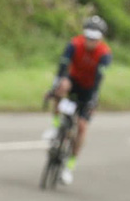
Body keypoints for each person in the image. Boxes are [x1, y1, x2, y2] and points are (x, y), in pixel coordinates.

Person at [43, 14, 112, 185]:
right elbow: (62, 67)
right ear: (84, 35)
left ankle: (69, 166)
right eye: (88, 37)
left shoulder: (104, 54)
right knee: (62, 86)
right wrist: (54, 87)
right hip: (73, 81)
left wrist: (92, 101)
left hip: (89, 90)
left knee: (81, 127)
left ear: (101, 39)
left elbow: (98, 80)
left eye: (94, 39)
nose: (90, 42)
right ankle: (56, 125)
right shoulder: (74, 44)